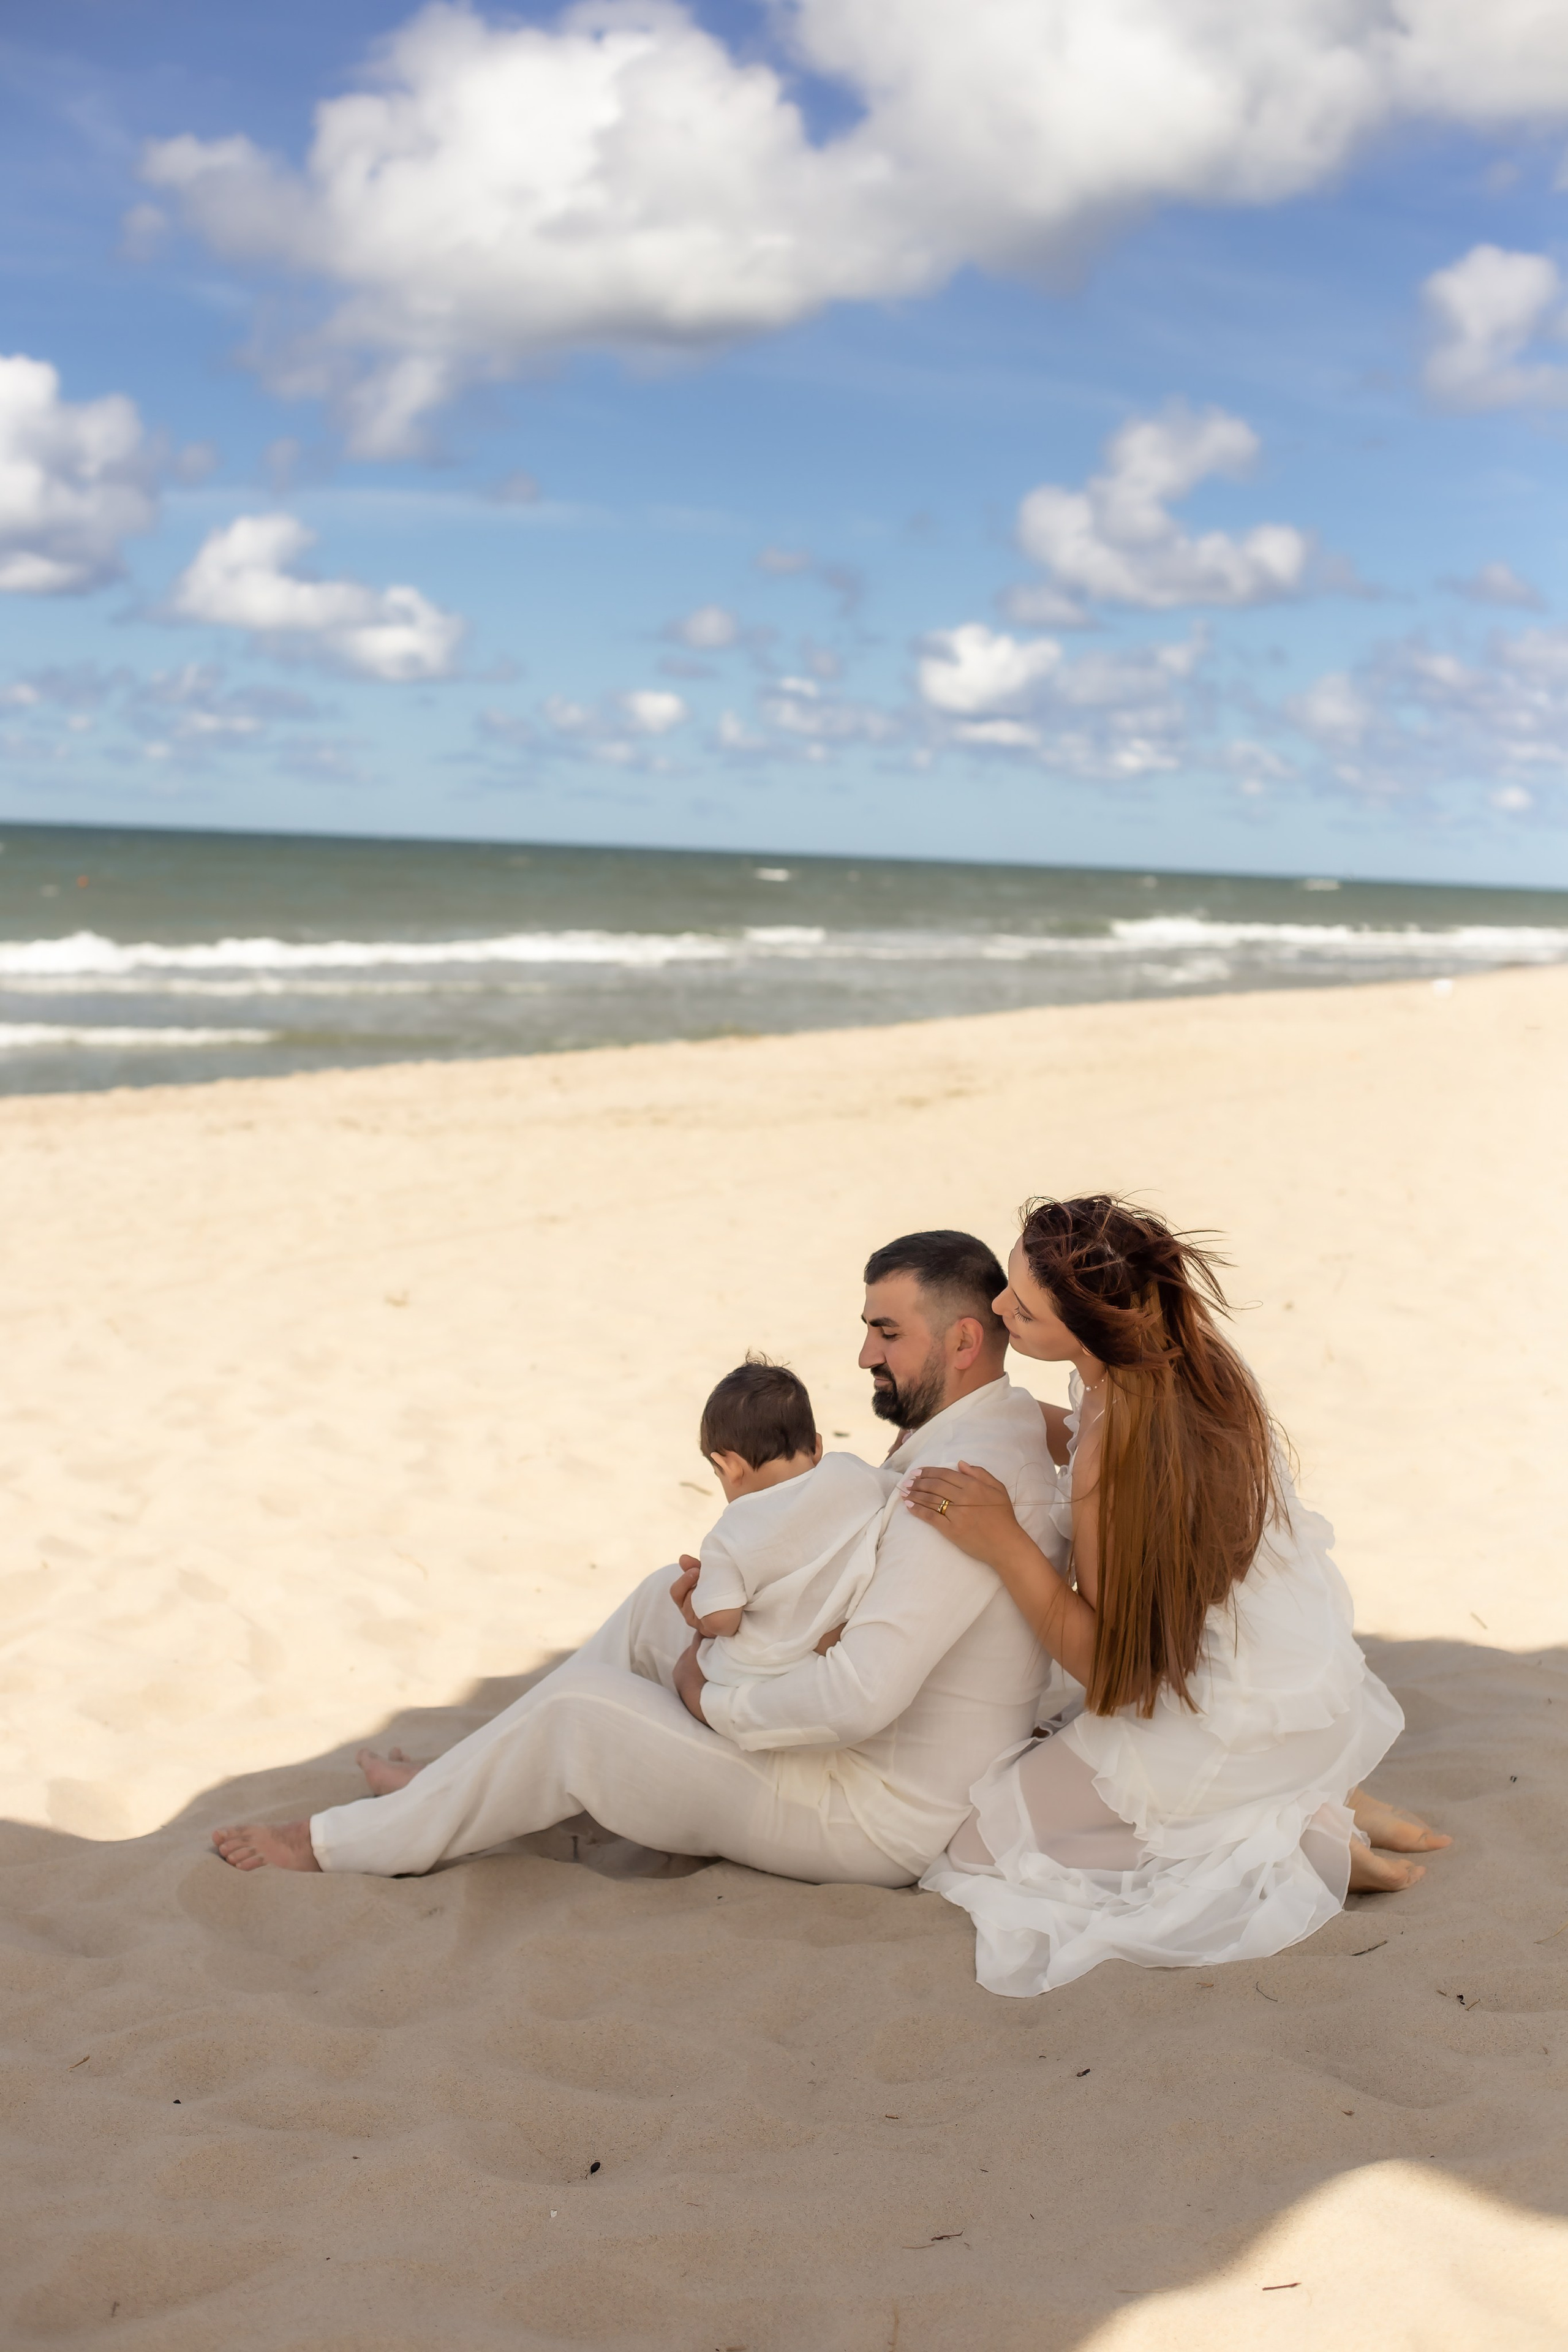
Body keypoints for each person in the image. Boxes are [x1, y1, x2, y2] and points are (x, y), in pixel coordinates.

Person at [210, 1231, 1068, 1885]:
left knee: (578, 1712)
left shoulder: (964, 1482)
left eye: (887, 1333)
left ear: (962, 1343)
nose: (864, 1356)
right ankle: (457, 1783)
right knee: (665, 1599)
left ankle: (333, 1845)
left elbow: (856, 1699)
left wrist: (712, 1697)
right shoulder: (977, 1422)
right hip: (856, 1763)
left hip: (871, 1813)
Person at [907, 1195, 1450, 1997]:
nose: (997, 1310)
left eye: (1022, 1308)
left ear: (1090, 1330)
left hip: (1222, 1730)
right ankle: (1311, 1788)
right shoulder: (1185, 1361)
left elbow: (1116, 1675)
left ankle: (1292, 1837)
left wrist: (1002, 1540)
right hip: (1299, 1698)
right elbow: (1080, 1434)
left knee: (980, 1848)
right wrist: (985, 1420)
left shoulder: (1121, 1451)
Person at [686, 1356, 887, 1681]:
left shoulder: (729, 1533)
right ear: (816, 1446)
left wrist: (702, 1599)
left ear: (729, 1467)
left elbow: (722, 1621)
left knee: (692, 1668)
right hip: (850, 1638)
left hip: (773, 1666)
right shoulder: (851, 1472)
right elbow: (898, 1490)